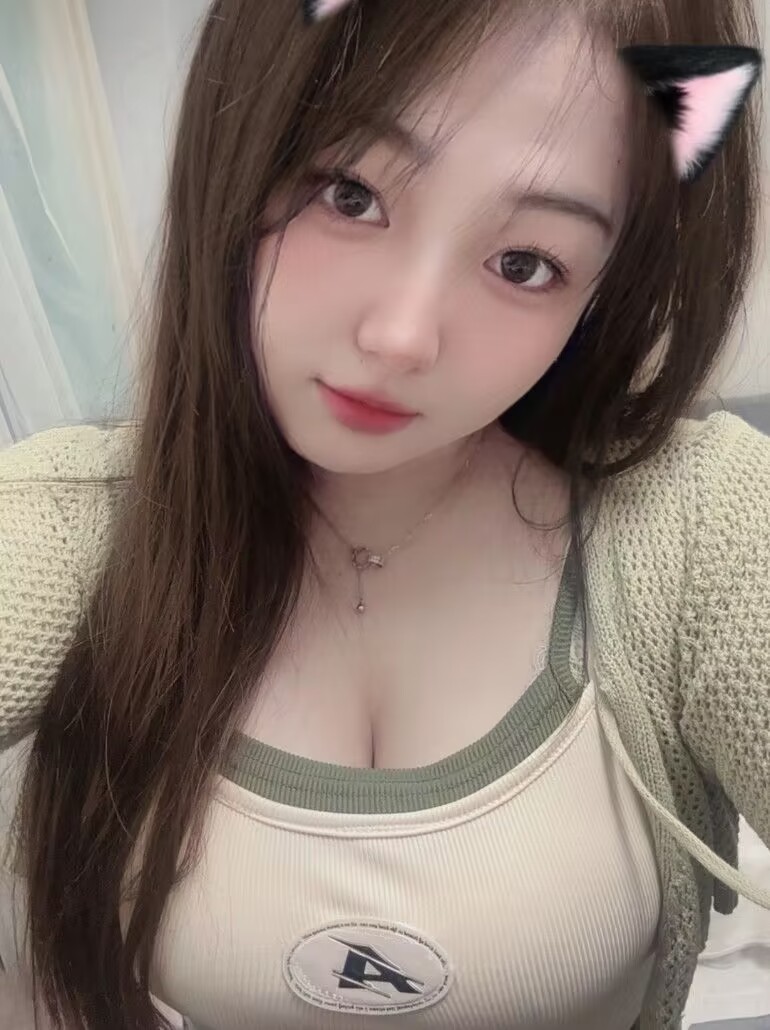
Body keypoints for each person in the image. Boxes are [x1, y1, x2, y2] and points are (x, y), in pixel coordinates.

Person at [0, 0, 768, 1027]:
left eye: (525, 263)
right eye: (349, 194)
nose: (403, 335)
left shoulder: (701, 530)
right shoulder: (75, 527)